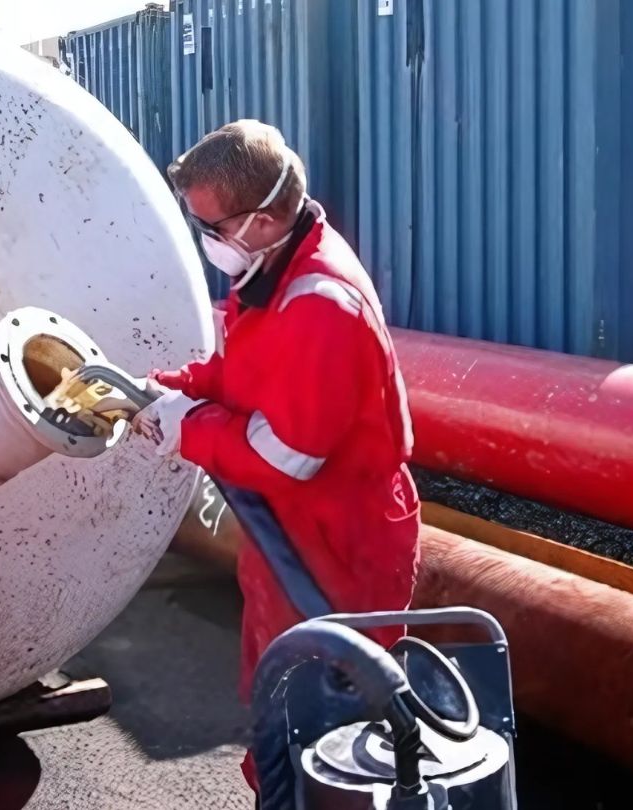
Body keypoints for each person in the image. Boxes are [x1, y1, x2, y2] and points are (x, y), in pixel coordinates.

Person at [132, 120, 421, 791]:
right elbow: (243, 374)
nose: (208, 243)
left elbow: (286, 456)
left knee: (328, 717)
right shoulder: (273, 270)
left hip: (339, 537)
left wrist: (186, 429)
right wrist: (168, 390)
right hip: (294, 528)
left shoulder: (321, 305)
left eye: (212, 227)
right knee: (281, 704)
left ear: (262, 220)